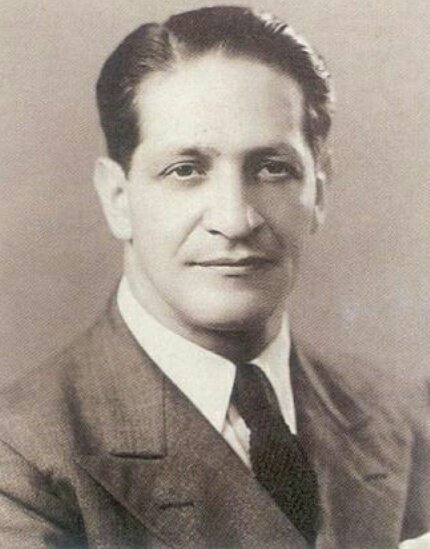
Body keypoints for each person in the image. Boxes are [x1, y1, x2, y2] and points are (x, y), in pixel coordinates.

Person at [0, 6, 428, 548]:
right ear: (118, 198)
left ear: (318, 192)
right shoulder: (21, 458)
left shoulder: (407, 419)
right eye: (186, 170)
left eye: (272, 168)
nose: (235, 219)